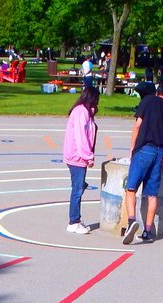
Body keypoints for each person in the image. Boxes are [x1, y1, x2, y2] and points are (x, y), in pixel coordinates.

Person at [121, 81, 163, 245]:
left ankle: (132, 221)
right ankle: (148, 231)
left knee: (131, 188)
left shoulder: (148, 101)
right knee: (152, 194)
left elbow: (137, 126)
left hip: (144, 149)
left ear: (157, 91)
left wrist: (132, 149)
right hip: (159, 152)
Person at [62, 84, 99, 234]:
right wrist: (88, 156)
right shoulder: (80, 112)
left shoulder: (86, 112)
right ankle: (73, 221)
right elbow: (80, 137)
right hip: (77, 157)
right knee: (77, 190)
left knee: (79, 186)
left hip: (78, 157)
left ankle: (74, 218)